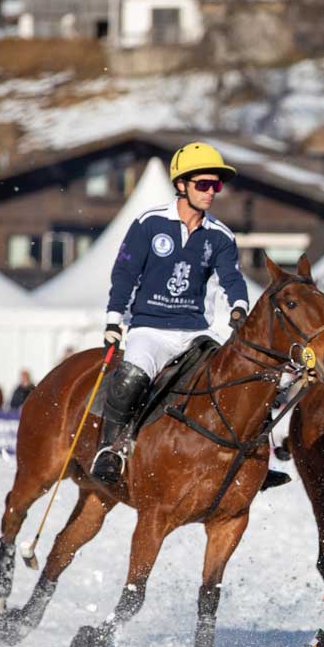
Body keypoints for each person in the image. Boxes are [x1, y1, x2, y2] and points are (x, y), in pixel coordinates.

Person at [91, 142, 251, 485]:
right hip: (150, 328)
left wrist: (239, 307)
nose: (211, 192)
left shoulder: (220, 236)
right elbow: (125, 273)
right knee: (132, 376)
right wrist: (113, 318)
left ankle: (248, 455)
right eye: (203, 184)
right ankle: (111, 449)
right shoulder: (149, 224)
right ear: (181, 185)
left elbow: (232, 278)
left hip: (195, 332)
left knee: (233, 379)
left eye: (216, 185)